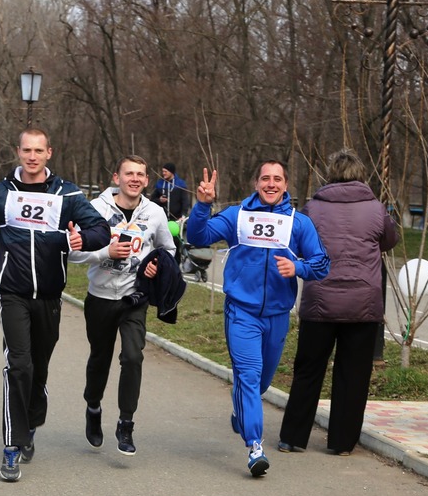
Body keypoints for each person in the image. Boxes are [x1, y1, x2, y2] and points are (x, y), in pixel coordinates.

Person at [0, 127, 110, 482]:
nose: (32, 157)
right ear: (18, 152)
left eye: (38, 151)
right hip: (12, 292)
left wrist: (82, 237)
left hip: (49, 295)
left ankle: (32, 413)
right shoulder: (1, 193)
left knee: (37, 367)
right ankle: (12, 446)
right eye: (26, 150)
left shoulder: (67, 193)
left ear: (49, 153)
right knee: (18, 365)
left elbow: (101, 230)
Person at [187, 161, 329, 477]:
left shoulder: (298, 223)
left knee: (260, 382)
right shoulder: (238, 216)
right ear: (256, 183)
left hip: (277, 316)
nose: (270, 183)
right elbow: (198, 236)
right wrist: (203, 205)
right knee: (249, 377)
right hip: (242, 312)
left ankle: (242, 412)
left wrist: (299, 269)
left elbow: (322, 264)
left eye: (277, 179)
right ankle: (255, 448)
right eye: (265, 178)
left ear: (286, 185)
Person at [277, 150, 399, 456]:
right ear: (360, 174)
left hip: (320, 300)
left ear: (330, 173)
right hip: (363, 303)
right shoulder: (375, 209)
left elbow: (298, 243)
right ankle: (342, 442)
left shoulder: (313, 208)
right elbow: (389, 240)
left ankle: (293, 437)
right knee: (353, 374)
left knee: (308, 370)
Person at [69, 155, 175, 455]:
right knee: (100, 359)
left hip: (134, 298)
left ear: (146, 180)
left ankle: (126, 423)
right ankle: (93, 407)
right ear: (117, 177)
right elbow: (73, 253)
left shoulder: (154, 213)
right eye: (129, 173)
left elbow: (168, 249)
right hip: (100, 297)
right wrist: (106, 252)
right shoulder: (94, 210)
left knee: (132, 357)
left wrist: (157, 264)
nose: (135, 179)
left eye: (141, 174)